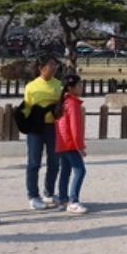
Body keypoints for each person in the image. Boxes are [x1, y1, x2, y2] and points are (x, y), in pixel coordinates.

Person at [24, 54, 62, 210]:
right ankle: (33, 195)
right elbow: (26, 108)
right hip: (35, 128)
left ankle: (49, 192)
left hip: (53, 126)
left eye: (55, 65)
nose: (53, 68)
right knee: (34, 162)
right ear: (41, 68)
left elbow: (61, 105)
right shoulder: (31, 86)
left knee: (54, 161)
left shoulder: (58, 85)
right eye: (50, 65)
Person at [54, 74, 88, 213]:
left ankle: (63, 199)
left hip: (62, 142)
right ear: (71, 88)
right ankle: (73, 200)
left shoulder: (63, 102)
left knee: (65, 171)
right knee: (80, 170)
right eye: (79, 85)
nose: (81, 87)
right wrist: (80, 146)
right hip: (70, 143)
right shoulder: (72, 103)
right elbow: (75, 127)